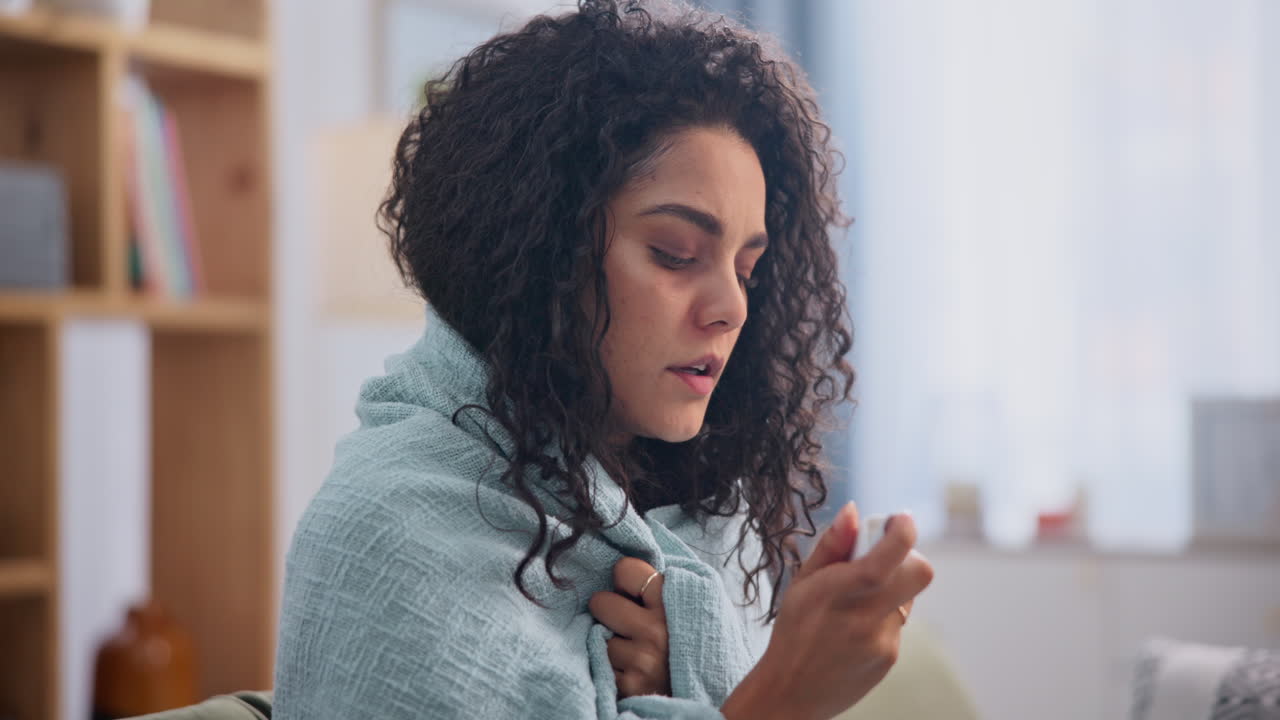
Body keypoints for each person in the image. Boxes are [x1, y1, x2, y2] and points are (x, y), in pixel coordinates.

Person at [273, 1, 934, 718]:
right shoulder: (390, 529)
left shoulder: (704, 526)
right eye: (675, 254)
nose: (732, 308)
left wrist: (674, 683)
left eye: (746, 270)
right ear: (540, 255)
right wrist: (785, 693)